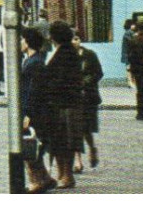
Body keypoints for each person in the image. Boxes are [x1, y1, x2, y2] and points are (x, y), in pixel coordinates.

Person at [42, 22, 80, 190]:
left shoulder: (66, 53)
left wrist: (48, 87)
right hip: (63, 102)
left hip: (65, 103)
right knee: (60, 140)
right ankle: (62, 173)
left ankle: (67, 175)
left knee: (64, 140)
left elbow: (62, 79)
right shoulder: (64, 51)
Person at [20, 28, 56, 193]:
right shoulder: (32, 60)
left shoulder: (35, 63)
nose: (20, 42)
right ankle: (45, 177)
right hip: (35, 109)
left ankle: (36, 181)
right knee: (33, 143)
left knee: (30, 145)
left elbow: (33, 90)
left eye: (22, 40)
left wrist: (27, 113)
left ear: (27, 42)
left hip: (35, 111)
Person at [72, 32, 103, 173]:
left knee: (86, 130)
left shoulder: (90, 55)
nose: (74, 41)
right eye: (71, 39)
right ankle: (78, 162)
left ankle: (92, 148)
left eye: (76, 38)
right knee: (74, 130)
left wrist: (87, 81)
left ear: (80, 40)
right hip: (74, 98)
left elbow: (99, 73)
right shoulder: (66, 56)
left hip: (88, 98)